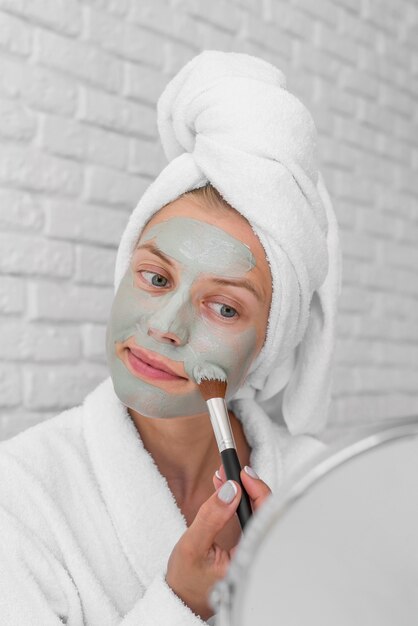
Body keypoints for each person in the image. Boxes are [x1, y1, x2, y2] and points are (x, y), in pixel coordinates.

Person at [0, 50, 341, 625]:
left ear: (269, 344)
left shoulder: (325, 489)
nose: (165, 325)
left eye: (224, 307)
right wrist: (179, 606)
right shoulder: (22, 493)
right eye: (156, 278)